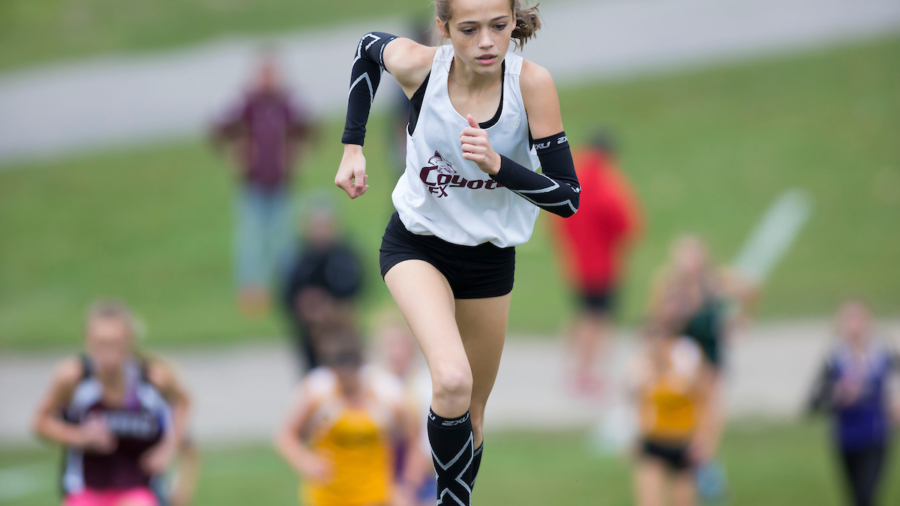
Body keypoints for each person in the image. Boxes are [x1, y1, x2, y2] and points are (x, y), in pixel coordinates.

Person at [333, 0, 580, 502]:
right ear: (444, 29)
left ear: (514, 21)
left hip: (489, 262)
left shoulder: (530, 85)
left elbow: (568, 197)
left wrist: (498, 165)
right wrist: (352, 147)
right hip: (415, 245)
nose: (486, 42)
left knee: (474, 412)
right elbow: (366, 51)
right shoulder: (420, 67)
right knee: (450, 380)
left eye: (498, 26)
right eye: (469, 30)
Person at [32, 301, 192, 506]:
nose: (108, 352)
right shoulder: (74, 378)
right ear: (87, 341)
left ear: (130, 342)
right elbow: (40, 423)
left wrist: (167, 448)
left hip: (138, 487)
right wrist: (80, 437)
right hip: (85, 488)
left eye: (115, 343)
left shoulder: (152, 379)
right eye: (101, 343)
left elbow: (183, 402)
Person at [212, 51, 315, 317]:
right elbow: (219, 130)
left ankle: (287, 287)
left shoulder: (286, 103)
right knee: (251, 240)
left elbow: (308, 130)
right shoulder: (246, 103)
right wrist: (237, 155)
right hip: (252, 183)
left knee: (283, 239)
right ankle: (252, 292)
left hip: (281, 183)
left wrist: (295, 156)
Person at [275, 329, 421, 506]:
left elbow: (414, 439)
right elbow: (286, 435)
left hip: (375, 496)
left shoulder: (386, 395)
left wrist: (408, 485)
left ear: (359, 365)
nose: (344, 377)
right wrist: (305, 461)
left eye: (348, 369)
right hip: (328, 496)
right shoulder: (318, 393)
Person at [552, 129, 642, 396]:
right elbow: (625, 222)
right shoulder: (604, 180)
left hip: (576, 261)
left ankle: (571, 369)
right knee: (598, 319)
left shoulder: (573, 174)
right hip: (602, 263)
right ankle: (587, 373)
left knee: (581, 315)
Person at [807, 299, 900, 506]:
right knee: (855, 496)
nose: (854, 326)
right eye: (848, 320)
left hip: (876, 435)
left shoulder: (882, 355)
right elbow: (812, 403)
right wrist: (837, 395)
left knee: (867, 495)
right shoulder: (835, 359)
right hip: (846, 438)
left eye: (858, 319)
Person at [629, 288, 713, 506]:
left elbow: (703, 397)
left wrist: (702, 438)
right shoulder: (640, 366)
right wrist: (637, 433)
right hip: (655, 438)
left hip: (682, 438)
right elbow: (637, 402)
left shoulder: (685, 357)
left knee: (684, 499)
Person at [282, 197, 364, 372]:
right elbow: (287, 294)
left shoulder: (345, 255)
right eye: (317, 227)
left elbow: (357, 287)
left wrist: (331, 308)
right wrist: (307, 308)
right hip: (309, 328)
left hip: (340, 322)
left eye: (325, 226)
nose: (321, 233)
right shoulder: (298, 256)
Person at [374, 310, 438, 506]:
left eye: (401, 345)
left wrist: (410, 483)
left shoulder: (426, 385)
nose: (396, 352)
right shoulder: (373, 382)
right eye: (391, 345)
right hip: (380, 469)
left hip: (421, 472)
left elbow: (426, 440)